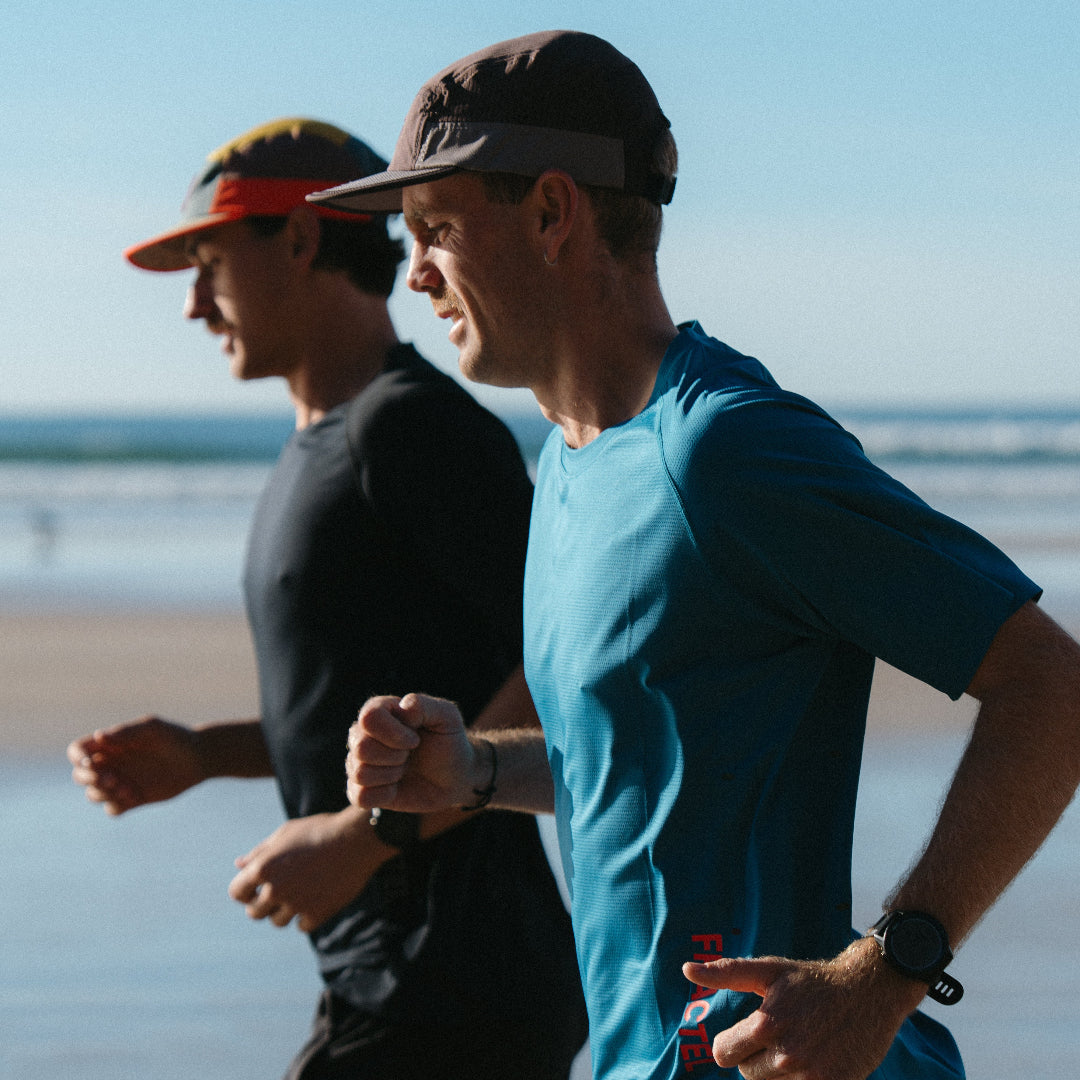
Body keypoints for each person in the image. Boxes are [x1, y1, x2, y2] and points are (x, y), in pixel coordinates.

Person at [318, 31, 1080, 1080]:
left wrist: (885, 973)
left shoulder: (725, 450)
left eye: (437, 230)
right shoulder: (572, 464)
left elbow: (1051, 683)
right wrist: (478, 771)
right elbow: (646, 761)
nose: (416, 277)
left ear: (551, 212)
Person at [67, 117, 587, 1080]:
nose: (194, 306)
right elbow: (365, 709)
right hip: (384, 979)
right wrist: (206, 754)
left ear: (302, 238)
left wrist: (362, 839)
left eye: (209, 265)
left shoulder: (412, 430)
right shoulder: (319, 445)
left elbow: (568, 666)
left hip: (461, 985)